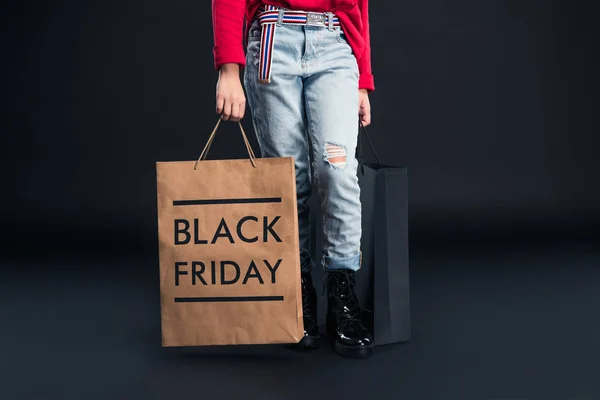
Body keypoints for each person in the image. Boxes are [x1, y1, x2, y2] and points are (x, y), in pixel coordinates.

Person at [211, 0, 374, 358]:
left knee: (338, 173)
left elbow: (358, 4)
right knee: (287, 179)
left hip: (335, 41)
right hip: (274, 36)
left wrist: (362, 78)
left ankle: (341, 294)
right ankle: (294, 294)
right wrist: (229, 66)